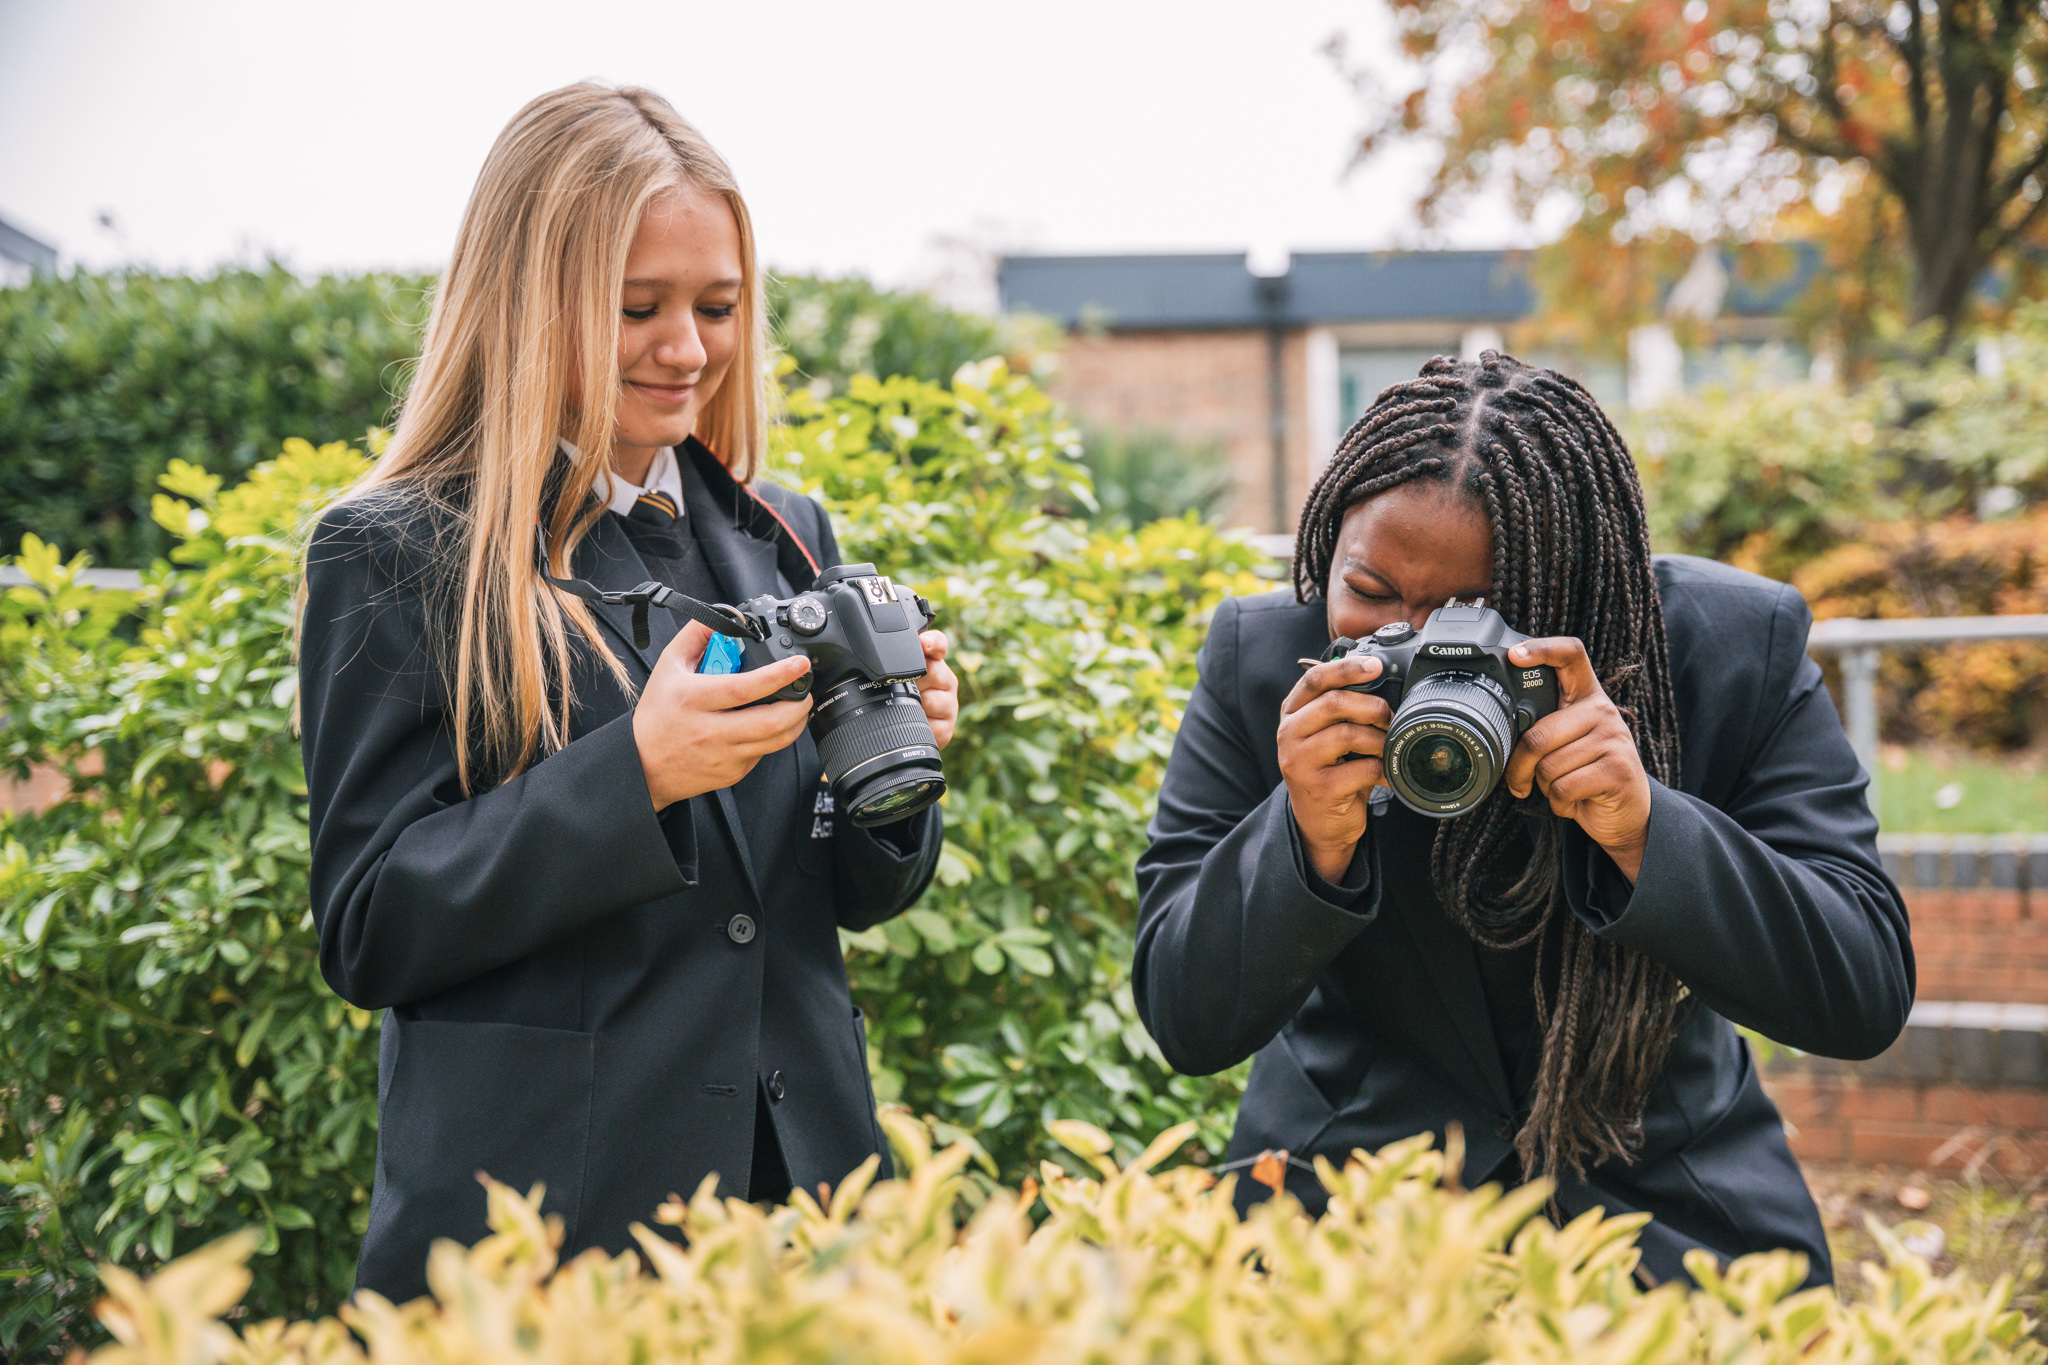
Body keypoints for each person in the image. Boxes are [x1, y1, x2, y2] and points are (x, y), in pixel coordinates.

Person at [297, 83, 954, 1304]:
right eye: (636, 308)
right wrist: (635, 778)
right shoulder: (393, 549)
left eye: (716, 306)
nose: (689, 350)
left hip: (802, 1209)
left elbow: (850, 903)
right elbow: (370, 923)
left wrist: (889, 773)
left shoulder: (784, 533)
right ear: (526, 301)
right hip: (545, 1229)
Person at [1133, 353, 1911, 1287]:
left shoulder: (1730, 647)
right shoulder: (1269, 662)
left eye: (1476, 614)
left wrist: (1647, 829)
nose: (1413, 640)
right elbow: (1185, 1016)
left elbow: (1862, 990)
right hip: (1343, 1210)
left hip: (1668, 1206)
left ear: (1580, 592)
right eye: (1370, 592)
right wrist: (1303, 840)